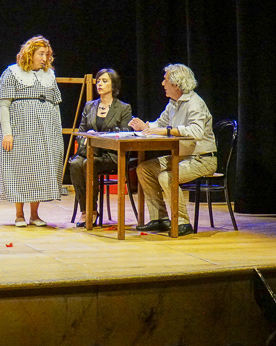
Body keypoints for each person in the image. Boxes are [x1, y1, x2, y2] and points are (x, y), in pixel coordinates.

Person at [128, 63, 217, 236]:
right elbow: (160, 124)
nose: (163, 84)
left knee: (167, 176)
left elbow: (196, 132)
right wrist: (144, 126)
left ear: (176, 84)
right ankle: (160, 219)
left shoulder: (195, 103)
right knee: (144, 169)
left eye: (165, 80)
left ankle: (182, 222)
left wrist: (167, 131)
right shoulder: (173, 104)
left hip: (203, 159)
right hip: (182, 157)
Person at [0, 36, 63, 227]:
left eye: (47, 54)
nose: (44, 58)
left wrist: (57, 132)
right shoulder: (12, 73)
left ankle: (34, 214)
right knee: (20, 169)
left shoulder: (49, 75)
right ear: (30, 54)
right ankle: (19, 214)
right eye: (41, 54)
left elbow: (55, 105)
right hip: (20, 129)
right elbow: (4, 104)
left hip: (45, 131)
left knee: (39, 170)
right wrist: (7, 133)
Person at [68, 68, 132, 227]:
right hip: (89, 152)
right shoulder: (89, 106)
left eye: (105, 81)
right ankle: (87, 211)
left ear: (114, 85)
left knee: (88, 164)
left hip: (111, 155)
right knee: (75, 163)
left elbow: (125, 133)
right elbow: (81, 132)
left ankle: (91, 210)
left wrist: (101, 137)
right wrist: (86, 136)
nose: (100, 84)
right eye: (98, 81)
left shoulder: (123, 108)